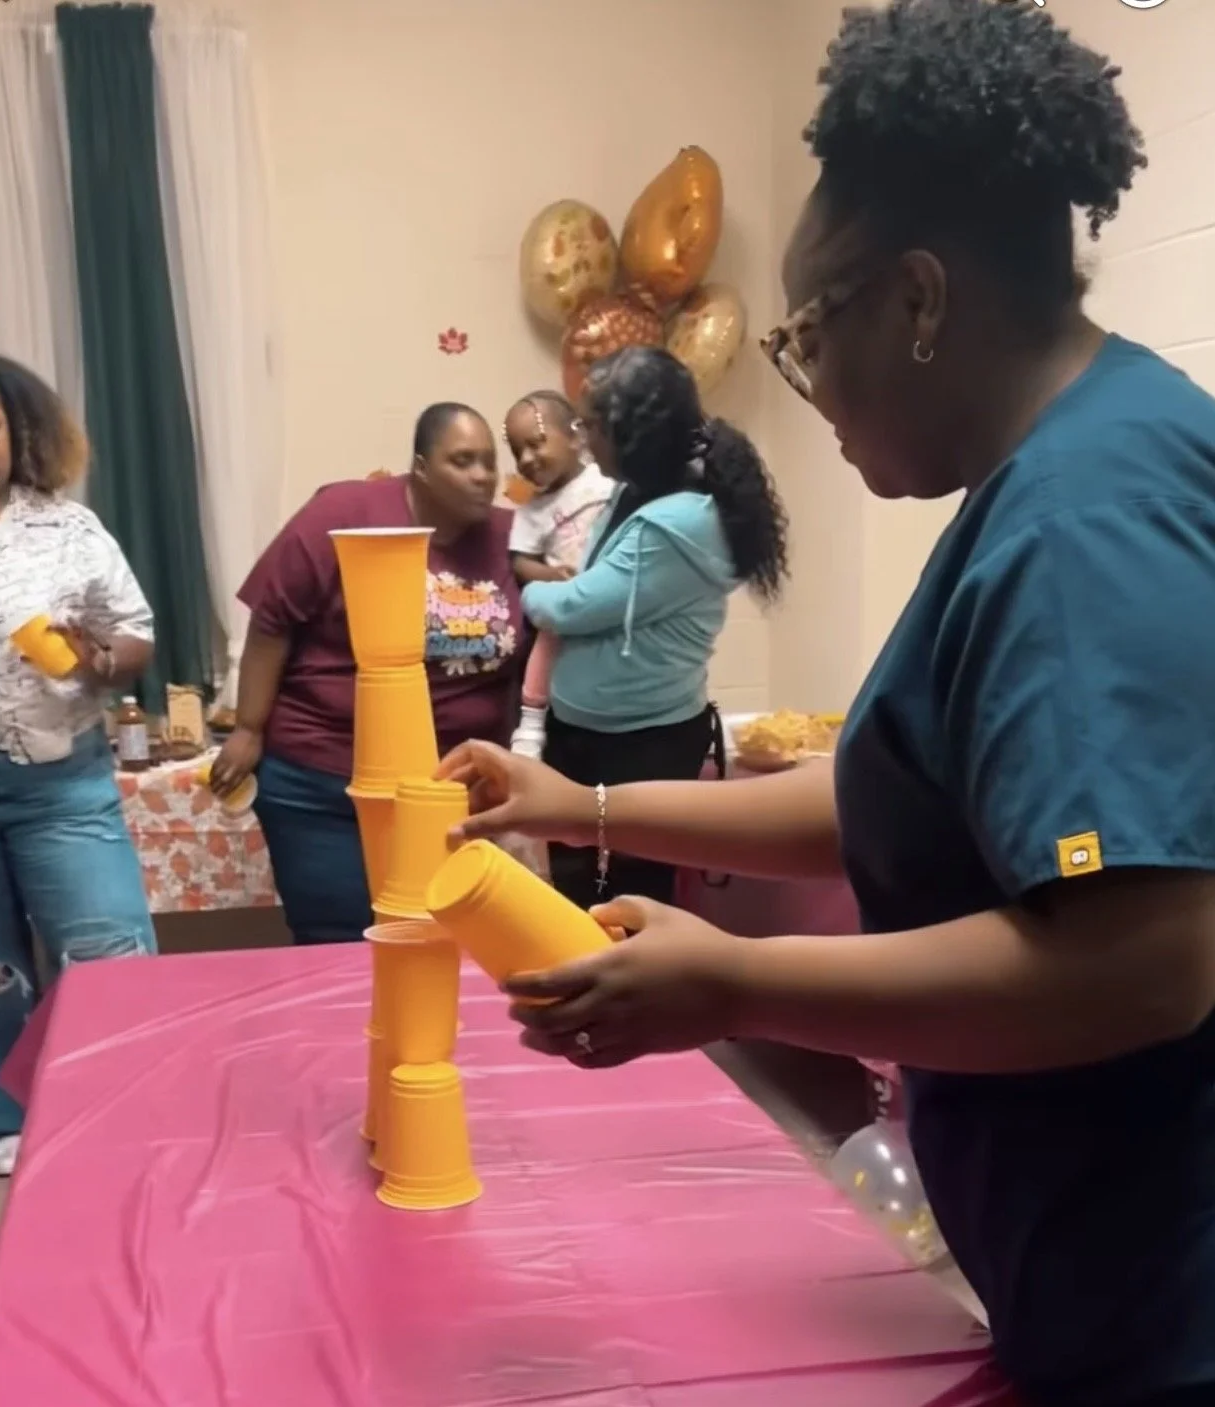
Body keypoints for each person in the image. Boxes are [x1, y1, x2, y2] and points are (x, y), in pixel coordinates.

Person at [438, 4, 1215, 1404]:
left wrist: (726, 981)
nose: (800, 377)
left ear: (917, 301)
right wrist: (580, 796)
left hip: (1163, 1298)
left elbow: (1142, 960)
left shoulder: (1088, 517)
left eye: (806, 332)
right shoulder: (1061, 469)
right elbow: (896, 787)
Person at [0, 353, 157, 1177]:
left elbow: (135, 633)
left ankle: (123, 1100)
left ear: (16, 433)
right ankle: (0, 1120)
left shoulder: (68, 528)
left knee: (110, 945)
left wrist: (99, 658)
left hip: (60, 783)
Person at [212, 403, 524, 944]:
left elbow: (556, 629)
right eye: (462, 461)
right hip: (324, 781)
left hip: (450, 790)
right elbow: (271, 622)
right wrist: (249, 727)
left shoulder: (513, 537)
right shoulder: (346, 513)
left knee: (444, 940)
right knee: (340, 946)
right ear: (421, 468)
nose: (481, 477)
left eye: (488, 463)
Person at [520, 346, 787, 909]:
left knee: (623, 907)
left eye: (590, 424)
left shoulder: (677, 522)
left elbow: (573, 606)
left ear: (631, 432)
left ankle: (621, 997)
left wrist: (531, 588)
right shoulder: (638, 491)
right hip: (596, 738)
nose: (582, 437)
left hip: (637, 748)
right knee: (581, 900)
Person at [504, 389, 614, 759]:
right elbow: (520, 561)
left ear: (575, 435)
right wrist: (551, 576)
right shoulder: (532, 509)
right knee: (547, 644)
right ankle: (532, 721)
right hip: (566, 599)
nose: (527, 459)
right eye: (518, 451)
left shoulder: (604, 479)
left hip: (611, 590)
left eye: (536, 443)